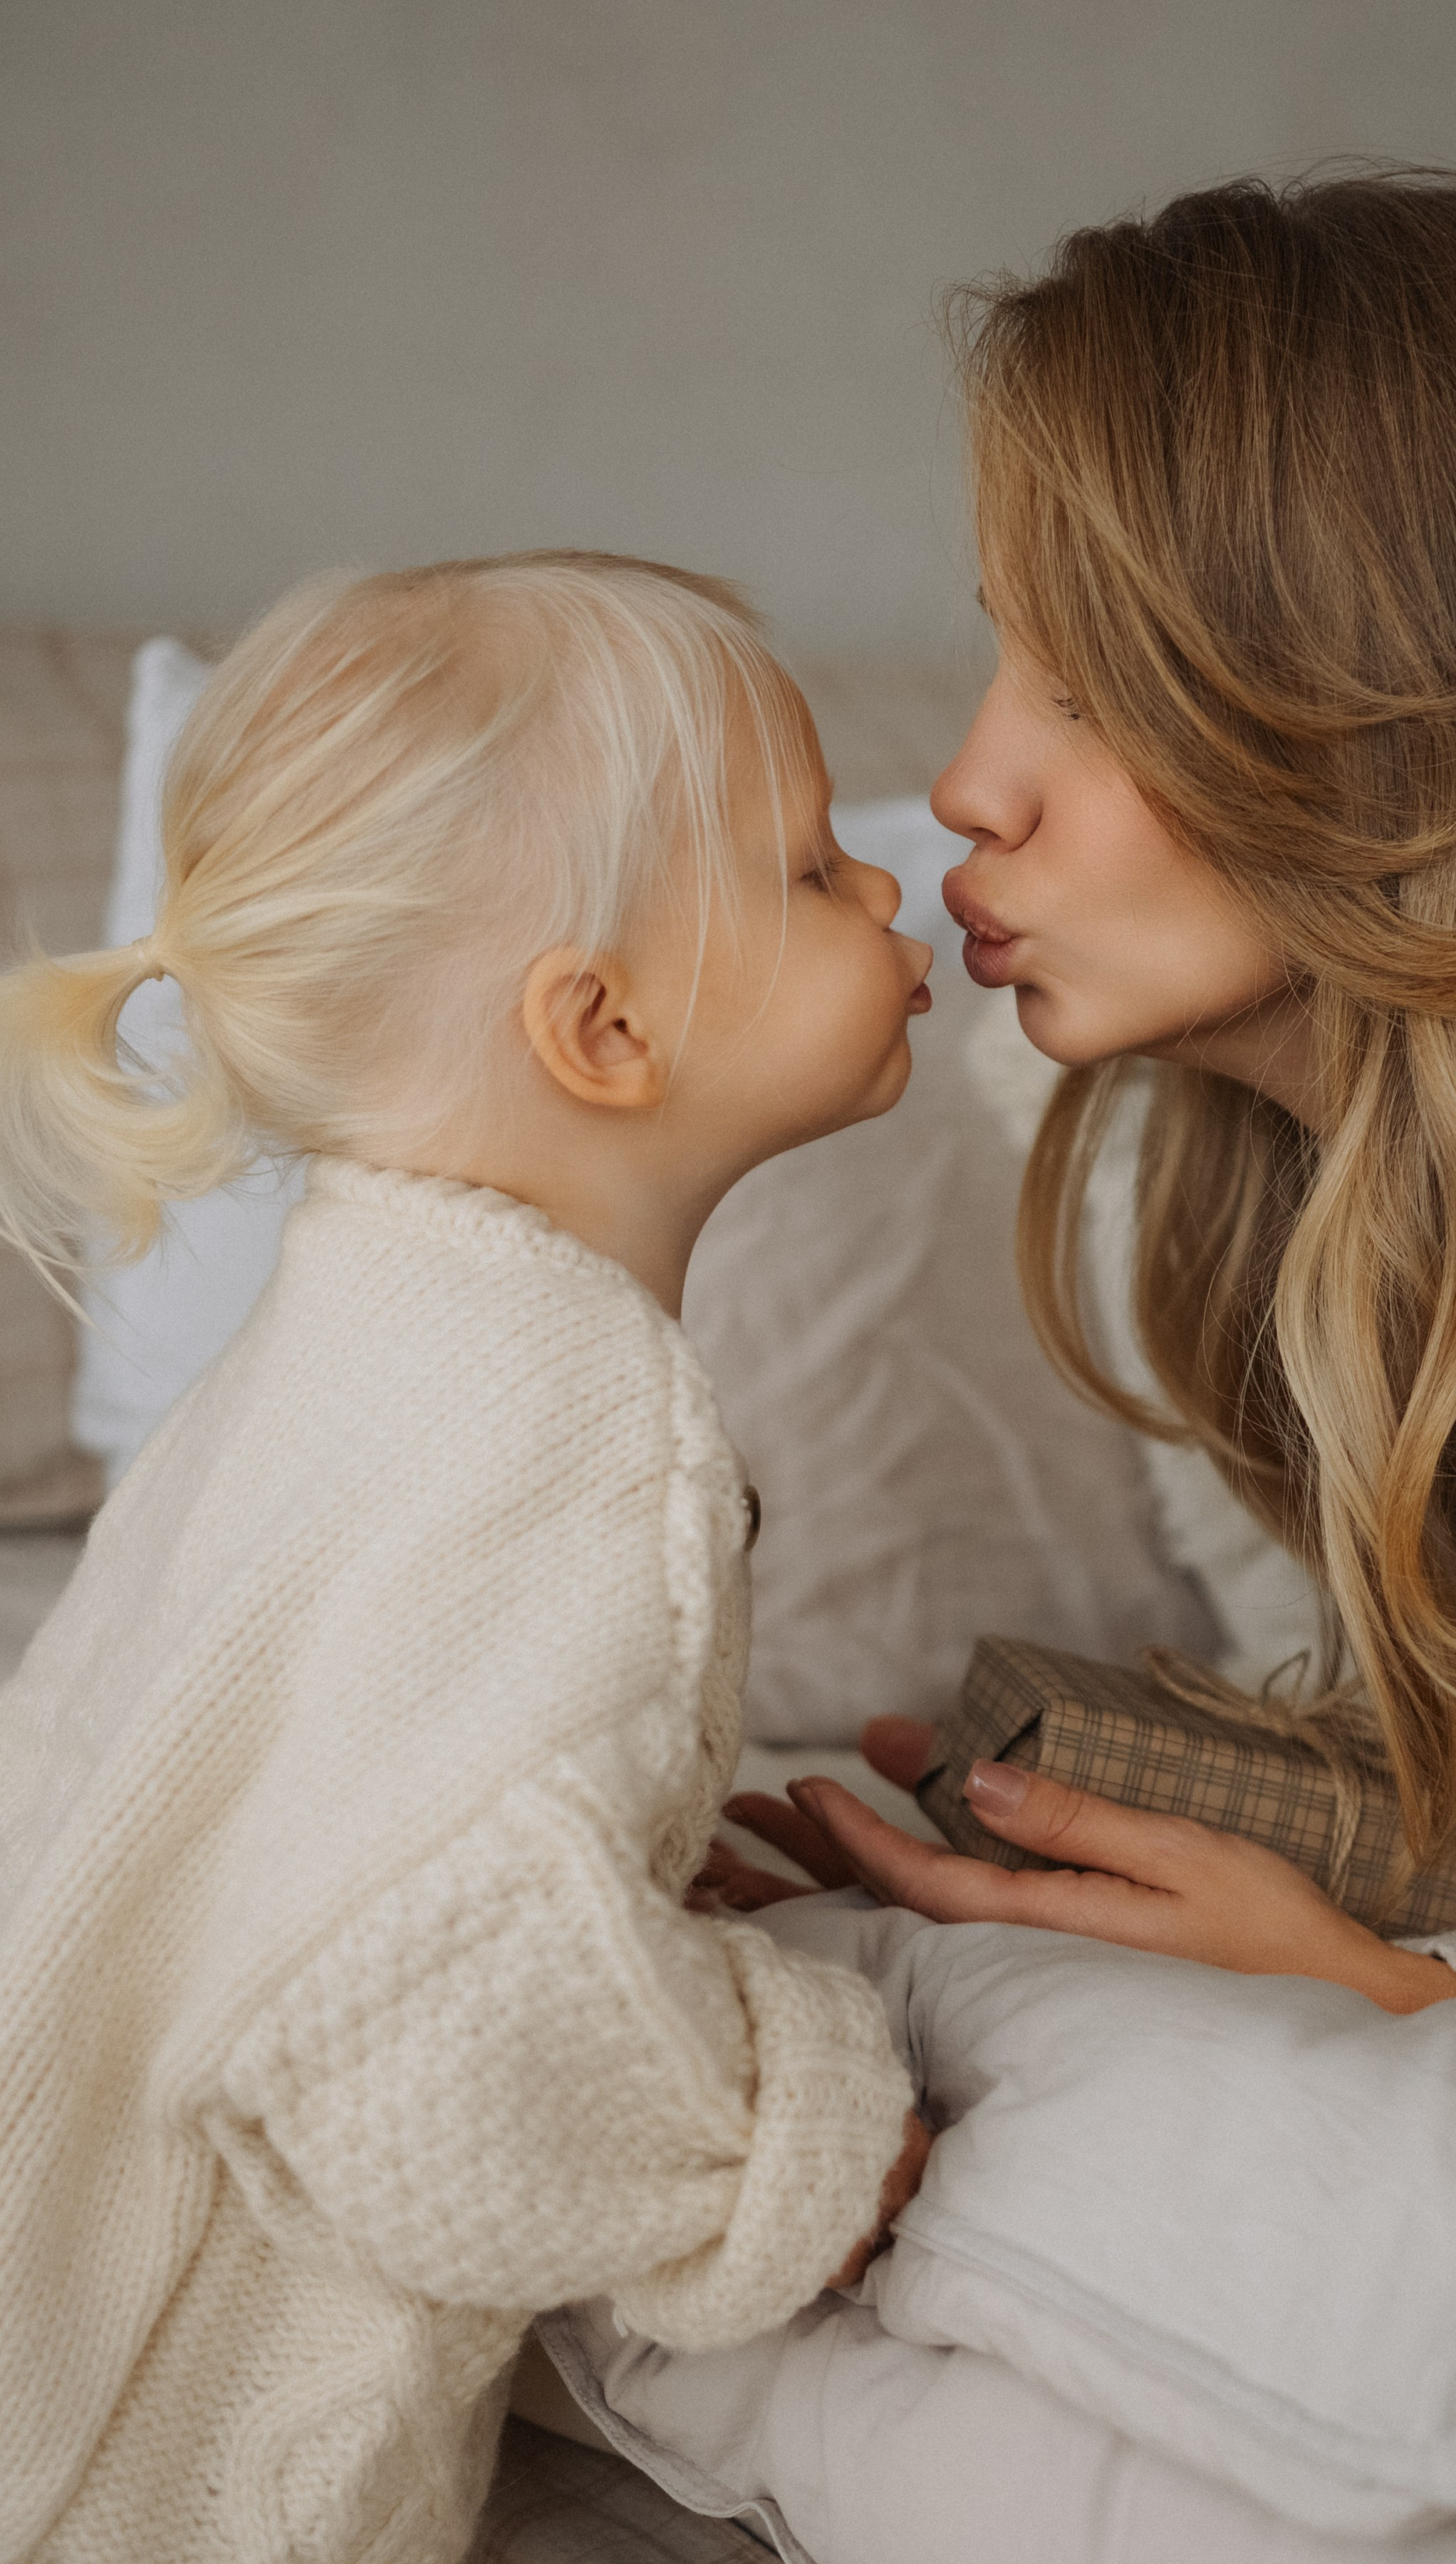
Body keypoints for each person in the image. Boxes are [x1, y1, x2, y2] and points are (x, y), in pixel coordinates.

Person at [0, 552, 934, 2564]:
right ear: (601, 1025)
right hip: (138, 2485)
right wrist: (787, 2128)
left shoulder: (345, 1335)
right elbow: (424, 2033)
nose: (887, 886)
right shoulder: (579, 1423)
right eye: (805, 869)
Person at [712, 173, 1456, 2024]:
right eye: (1007, 655)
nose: (964, 788)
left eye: (1090, 685)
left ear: (1423, 711)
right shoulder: (1315, 1239)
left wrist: (1421, 2004)